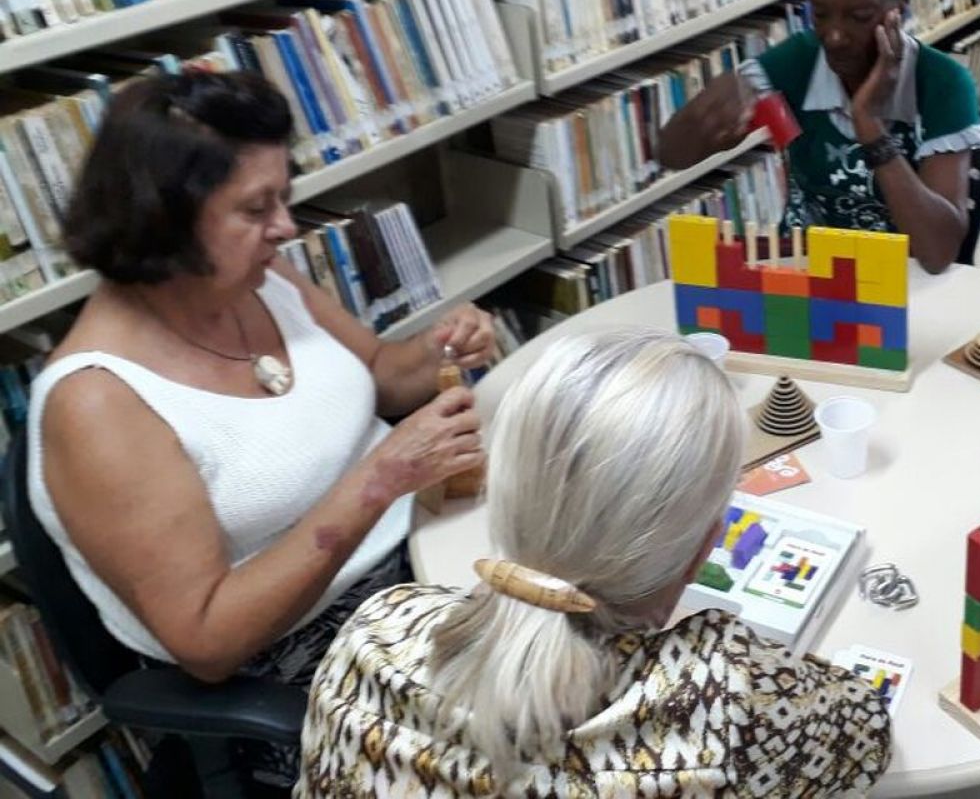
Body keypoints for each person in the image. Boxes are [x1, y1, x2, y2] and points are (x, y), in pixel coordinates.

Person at [28, 72, 491, 777]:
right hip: (298, 666)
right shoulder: (98, 404)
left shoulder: (261, 281)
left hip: (419, 559)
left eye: (282, 197)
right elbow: (208, 642)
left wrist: (441, 351)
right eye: (255, 208)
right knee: (559, 738)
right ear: (165, 219)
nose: (285, 227)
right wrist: (379, 480)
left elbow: (382, 372)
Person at [297, 326, 892, 796]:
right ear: (702, 549)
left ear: (508, 493)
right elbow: (868, 735)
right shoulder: (725, 699)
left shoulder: (375, 631)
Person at [659, 0, 980, 273]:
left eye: (859, 16)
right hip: (806, 272)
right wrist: (706, 120)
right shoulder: (800, 61)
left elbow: (937, 252)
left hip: (900, 280)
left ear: (899, 8)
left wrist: (870, 125)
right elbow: (670, 155)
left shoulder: (943, 83)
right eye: (820, 14)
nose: (834, 36)